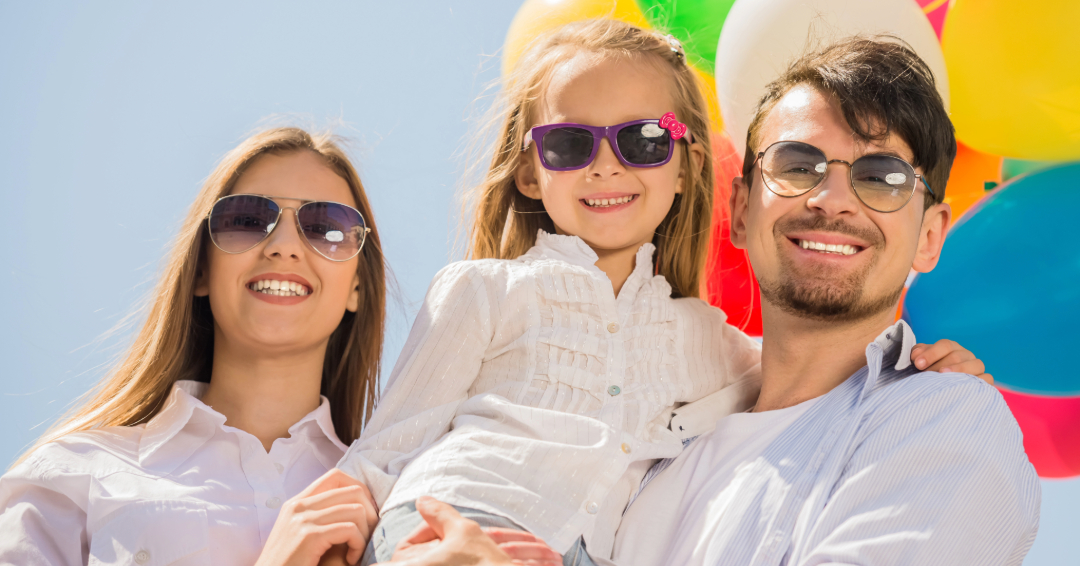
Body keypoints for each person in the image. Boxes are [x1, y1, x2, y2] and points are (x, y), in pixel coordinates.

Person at [329, 21, 989, 566]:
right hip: (445, 521)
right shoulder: (481, 290)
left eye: (643, 140)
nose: (606, 164)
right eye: (568, 142)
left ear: (687, 166)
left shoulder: (714, 343)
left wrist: (915, 360)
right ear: (530, 171)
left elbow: (817, 367)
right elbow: (389, 444)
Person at [0, 127, 391, 566]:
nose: (284, 247)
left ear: (357, 285)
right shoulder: (70, 477)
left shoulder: (396, 496)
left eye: (325, 228)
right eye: (246, 221)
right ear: (201, 269)